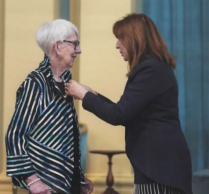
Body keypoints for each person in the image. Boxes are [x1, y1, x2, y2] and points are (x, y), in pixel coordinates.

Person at [66, 13, 192, 194]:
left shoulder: (150, 69)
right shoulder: (154, 67)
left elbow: (119, 114)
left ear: (134, 39)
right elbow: (126, 110)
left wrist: (84, 95)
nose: (117, 45)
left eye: (120, 39)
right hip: (158, 167)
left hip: (159, 168)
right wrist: (92, 94)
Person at [5, 19, 93, 194]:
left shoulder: (65, 81)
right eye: (74, 44)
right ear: (58, 46)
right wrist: (33, 181)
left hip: (67, 183)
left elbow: (65, 137)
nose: (79, 50)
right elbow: (15, 135)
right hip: (45, 186)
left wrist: (78, 176)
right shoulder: (35, 83)